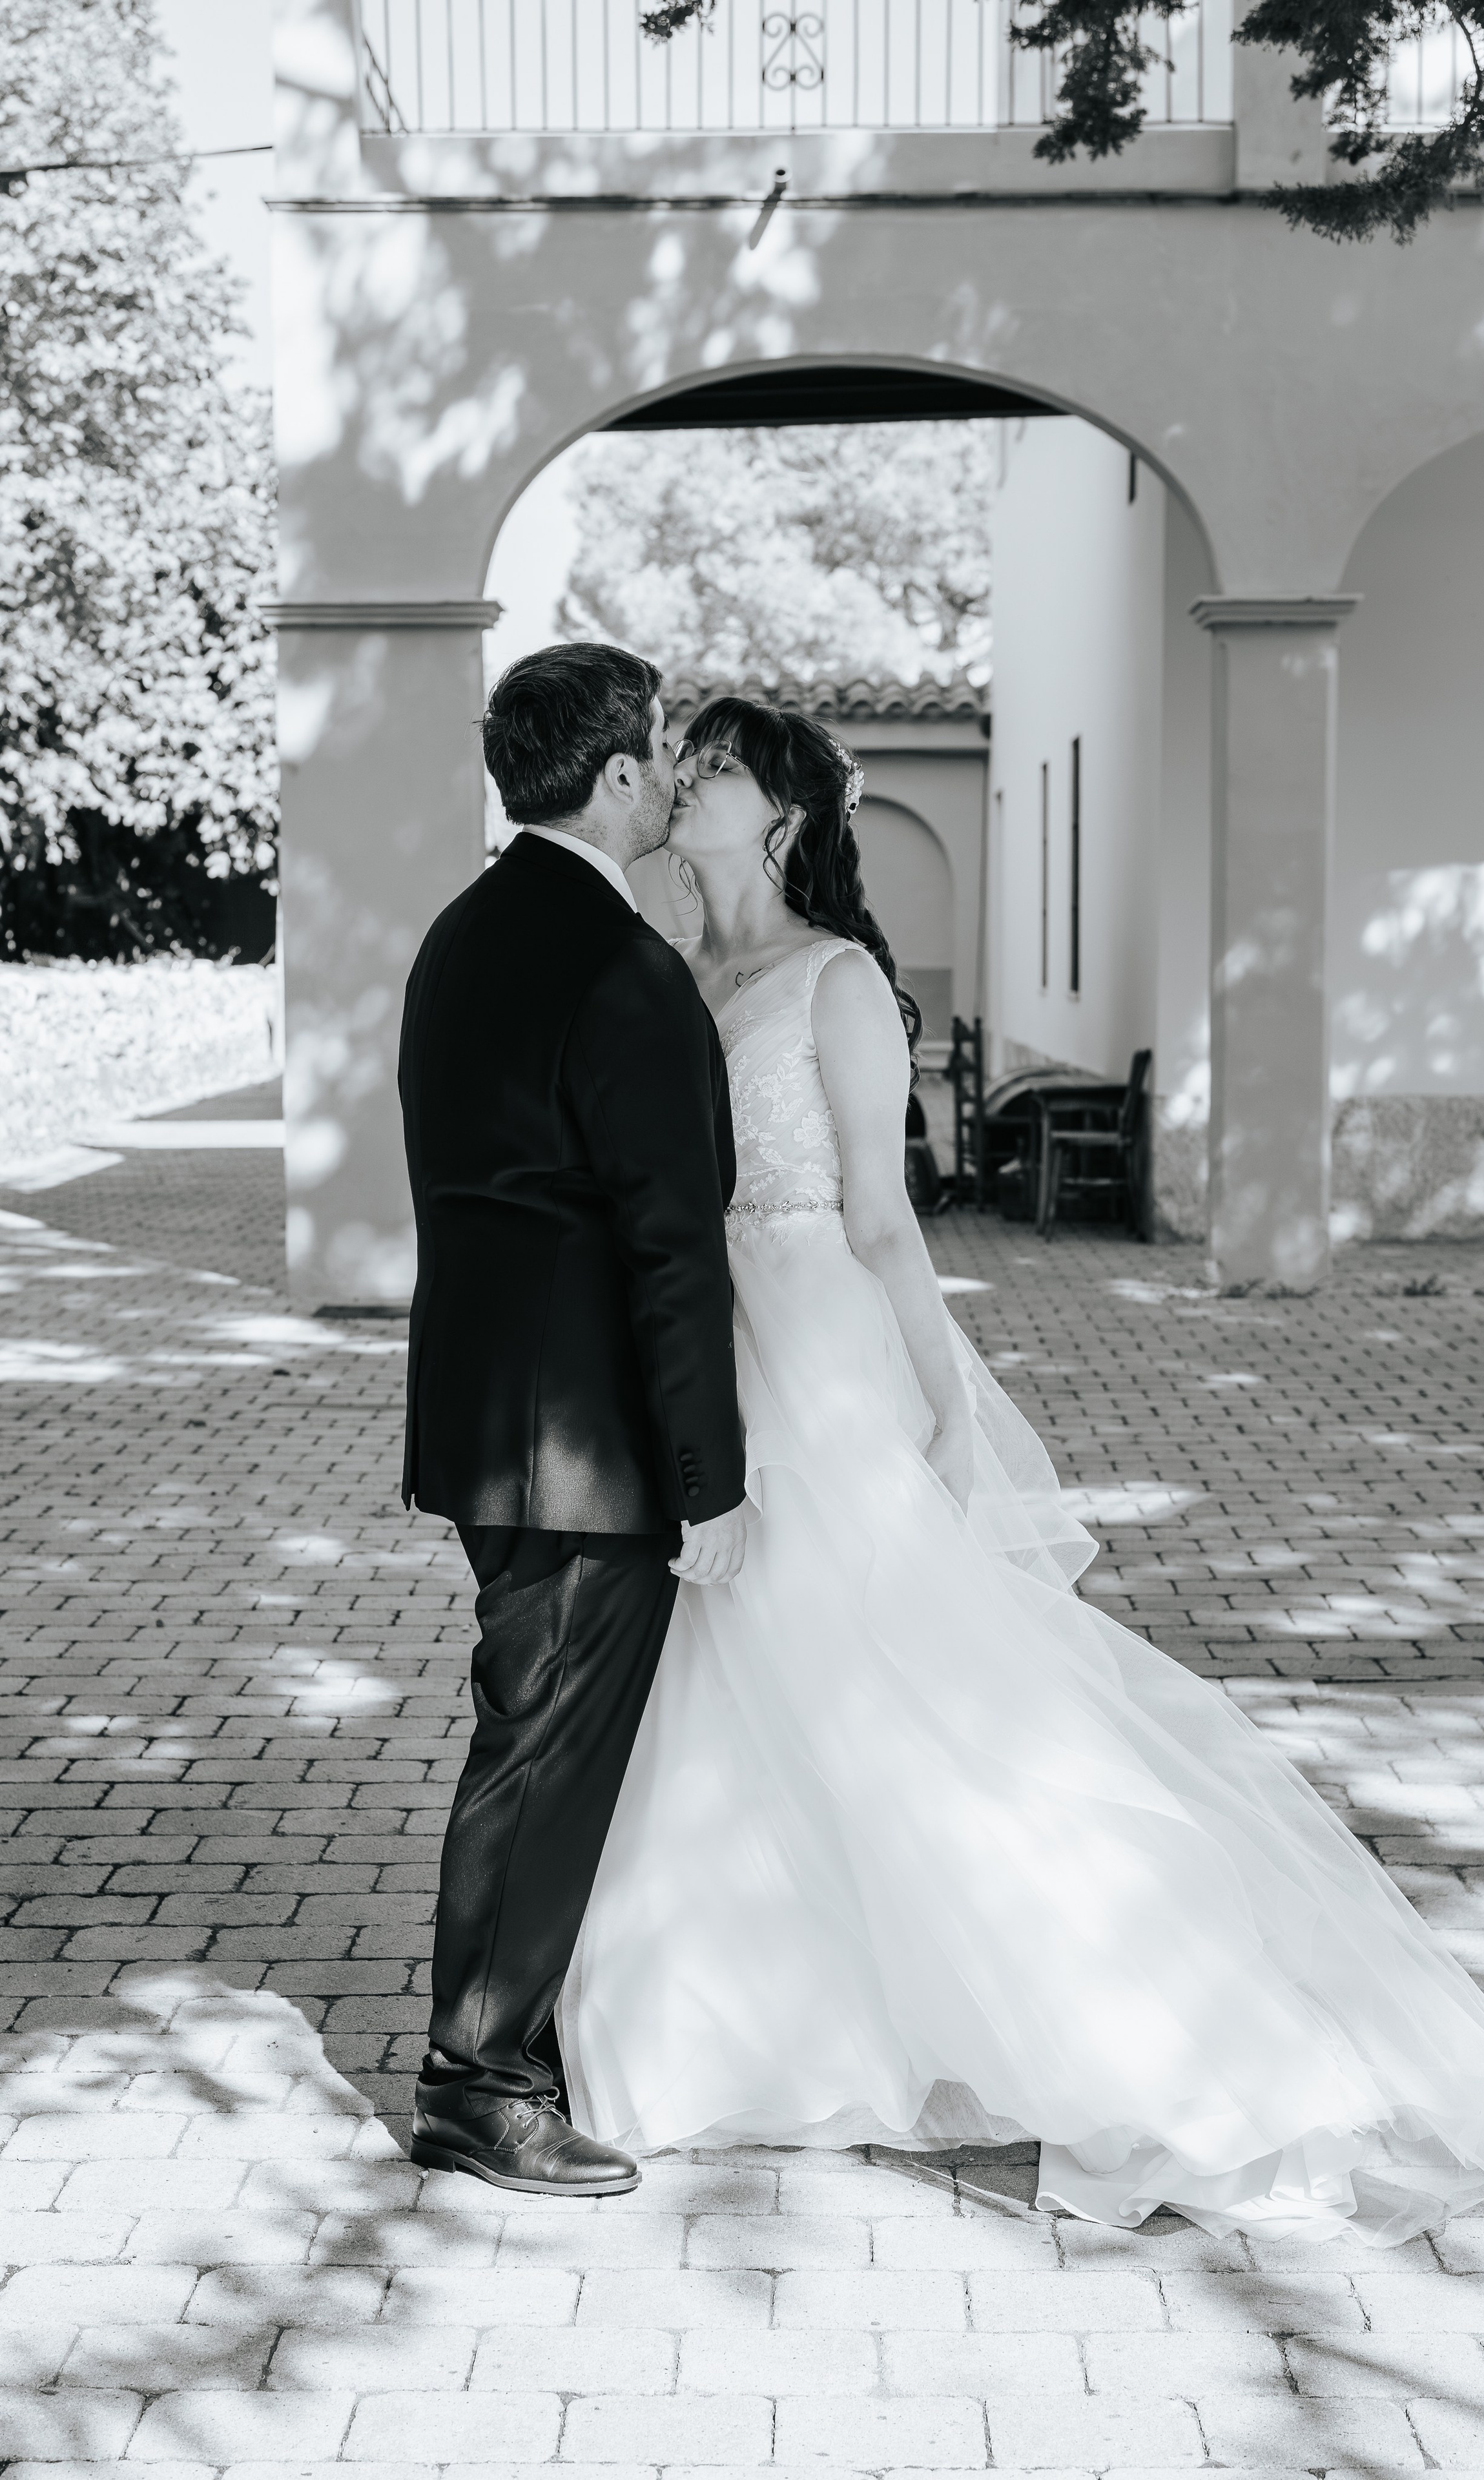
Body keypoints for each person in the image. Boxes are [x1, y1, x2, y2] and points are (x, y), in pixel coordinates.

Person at [555, 695, 1484, 2244]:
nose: (683, 781)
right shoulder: (671, 971)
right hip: (696, 1357)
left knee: (884, 1683)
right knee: (729, 1678)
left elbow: (882, 1221)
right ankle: (748, 2022)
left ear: (782, 816)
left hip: (811, 1355)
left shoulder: (835, 982)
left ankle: (1142, 2033)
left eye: (717, 769)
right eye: (680, 762)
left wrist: (943, 1404)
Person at [397, 643, 748, 2197]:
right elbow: (674, 1248)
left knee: (526, 1732)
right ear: (613, 775)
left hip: (484, 1419)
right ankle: (477, 2082)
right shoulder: (623, 968)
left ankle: (511, 2050)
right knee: (539, 1753)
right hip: (588, 1450)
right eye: (660, 750)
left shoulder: (459, 936)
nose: (671, 774)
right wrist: (709, 1479)